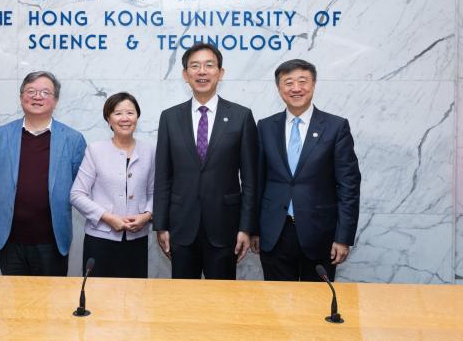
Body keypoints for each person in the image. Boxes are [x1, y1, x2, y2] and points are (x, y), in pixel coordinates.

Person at [153, 44, 258, 280]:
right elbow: (163, 175)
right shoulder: (170, 117)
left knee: (222, 300)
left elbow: (251, 179)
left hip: (225, 227)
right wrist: (161, 224)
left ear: (220, 73)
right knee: (183, 300)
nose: (202, 72)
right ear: (185, 74)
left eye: (209, 65)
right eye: (195, 66)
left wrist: (246, 227)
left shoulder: (241, 117)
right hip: (181, 226)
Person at [251, 59, 360, 281]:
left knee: (317, 307)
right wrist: (254, 229)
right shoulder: (265, 127)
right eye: (288, 82)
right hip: (275, 234)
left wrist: (343, 237)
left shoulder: (335, 127)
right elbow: (257, 182)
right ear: (279, 88)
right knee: (276, 307)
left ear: (314, 84)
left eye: (303, 81)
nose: (296, 88)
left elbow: (349, 186)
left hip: (320, 234)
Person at [0, 71, 86, 276]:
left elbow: (79, 185)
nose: (37, 97)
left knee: (50, 304)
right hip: (10, 241)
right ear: (21, 96)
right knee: (13, 303)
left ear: (55, 100)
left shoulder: (73, 139)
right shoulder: (1, 135)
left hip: (52, 241)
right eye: (31, 91)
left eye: (45, 92)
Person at [70, 92, 154, 278]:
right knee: (98, 298)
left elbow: (155, 192)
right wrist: (107, 217)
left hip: (136, 239)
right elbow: (76, 194)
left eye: (130, 113)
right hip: (100, 239)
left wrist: (147, 216)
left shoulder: (149, 151)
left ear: (137, 117)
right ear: (108, 119)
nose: (125, 118)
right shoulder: (95, 150)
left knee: (134, 298)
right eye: (117, 113)